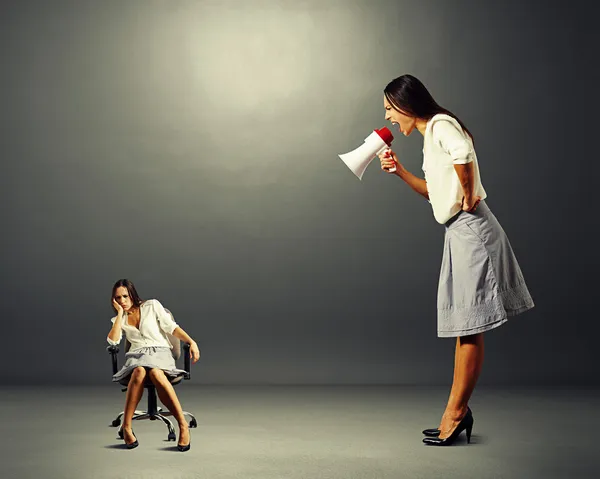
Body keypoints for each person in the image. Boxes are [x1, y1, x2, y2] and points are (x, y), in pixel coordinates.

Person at [379, 74, 534, 446]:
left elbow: (463, 154)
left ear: (405, 104)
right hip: (458, 232)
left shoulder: (439, 125)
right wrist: (400, 172)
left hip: (471, 230)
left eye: (389, 109)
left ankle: (455, 414)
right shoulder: (430, 136)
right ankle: (456, 412)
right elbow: (435, 193)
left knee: (468, 327)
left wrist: (467, 194)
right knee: (466, 326)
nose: (387, 118)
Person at [106, 278, 200, 451]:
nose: (122, 301)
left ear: (132, 294)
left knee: (156, 373)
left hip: (160, 353)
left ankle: (182, 425)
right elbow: (113, 342)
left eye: (125, 296)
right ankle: (126, 427)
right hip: (137, 356)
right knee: (140, 371)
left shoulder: (152, 306)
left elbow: (171, 327)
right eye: (118, 298)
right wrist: (120, 314)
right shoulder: (119, 319)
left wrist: (191, 341)